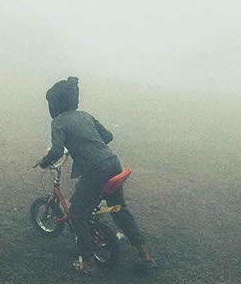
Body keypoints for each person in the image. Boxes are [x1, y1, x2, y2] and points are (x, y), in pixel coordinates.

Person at [37, 76, 155, 274]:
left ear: (54, 104)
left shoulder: (58, 122)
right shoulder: (85, 115)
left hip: (95, 170)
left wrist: (44, 162)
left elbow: (56, 151)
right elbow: (108, 136)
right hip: (113, 163)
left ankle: (89, 263)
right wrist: (88, 144)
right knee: (119, 209)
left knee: (77, 214)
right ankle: (145, 255)